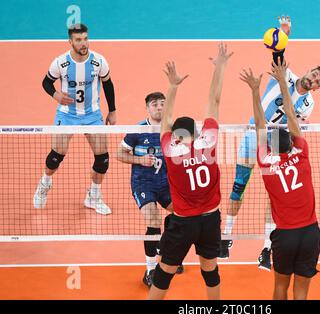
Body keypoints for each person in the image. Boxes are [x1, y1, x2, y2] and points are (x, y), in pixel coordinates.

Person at [220, 16, 320, 271]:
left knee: (276, 195)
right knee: (239, 184)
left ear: (318, 87)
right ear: (308, 71)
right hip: (254, 131)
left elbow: (295, 127)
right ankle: (226, 237)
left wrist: (287, 152)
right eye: (313, 74)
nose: (312, 80)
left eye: (317, 81)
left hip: (277, 143)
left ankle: (267, 248)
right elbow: (279, 53)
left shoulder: (309, 105)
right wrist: (284, 35)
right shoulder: (287, 75)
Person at [148, 43, 233, 300]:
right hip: (210, 220)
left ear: (175, 136)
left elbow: (165, 120)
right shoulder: (208, 141)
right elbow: (214, 101)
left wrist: (173, 86)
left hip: (183, 222)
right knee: (210, 269)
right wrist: (220, 67)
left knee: (165, 272)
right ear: (196, 132)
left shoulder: (171, 152)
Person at [240, 59, 320, 300]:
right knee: (301, 293)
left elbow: (259, 127)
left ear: (271, 148)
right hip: (309, 234)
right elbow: (293, 122)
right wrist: (288, 88)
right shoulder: (302, 156)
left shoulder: (266, 164)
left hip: (284, 236)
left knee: (279, 288)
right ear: (292, 145)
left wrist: (255, 90)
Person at [33, 23, 117, 215]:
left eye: (85, 38)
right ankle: (44, 183)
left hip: (92, 115)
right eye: (78, 40)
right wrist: (55, 94)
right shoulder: (60, 62)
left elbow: (108, 84)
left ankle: (93, 197)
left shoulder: (98, 61)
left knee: (103, 159)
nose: (83, 43)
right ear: (70, 41)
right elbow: (46, 82)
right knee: (56, 156)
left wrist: (112, 110)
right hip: (67, 114)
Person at [116, 92, 183, 288]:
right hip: (143, 183)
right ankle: (150, 269)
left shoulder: (171, 130)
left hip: (166, 183)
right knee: (153, 220)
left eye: (163, 104)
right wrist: (139, 160)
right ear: (147, 108)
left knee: (181, 214)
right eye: (155, 104)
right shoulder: (137, 130)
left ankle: (168, 251)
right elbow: (119, 153)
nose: (159, 107)